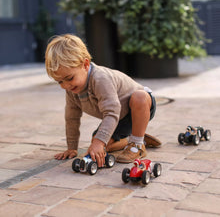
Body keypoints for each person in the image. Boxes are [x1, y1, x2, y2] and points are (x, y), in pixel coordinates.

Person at [45, 34, 160, 167]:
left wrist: (99, 142)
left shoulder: (100, 79)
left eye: (69, 78)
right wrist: (72, 148)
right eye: (59, 82)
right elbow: (72, 118)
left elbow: (111, 112)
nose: (66, 85)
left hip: (140, 107)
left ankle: (137, 144)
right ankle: (135, 136)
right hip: (119, 116)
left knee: (138, 97)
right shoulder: (71, 90)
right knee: (99, 142)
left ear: (85, 64)